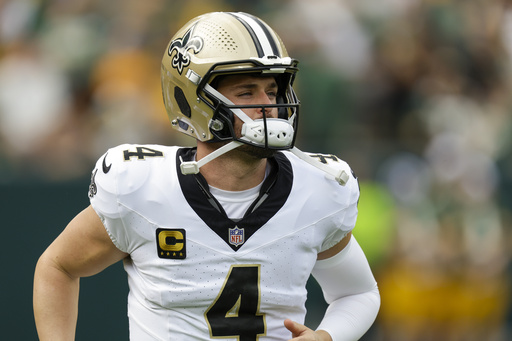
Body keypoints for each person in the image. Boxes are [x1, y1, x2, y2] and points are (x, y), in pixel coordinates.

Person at [33, 11, 380, 341]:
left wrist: (327, 335)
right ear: (195, 101)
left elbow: (359, 292)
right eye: (247, 92)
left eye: (272, 91)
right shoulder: (141, 188)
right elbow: (58, 266)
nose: (268, 105)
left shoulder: (316, 189)